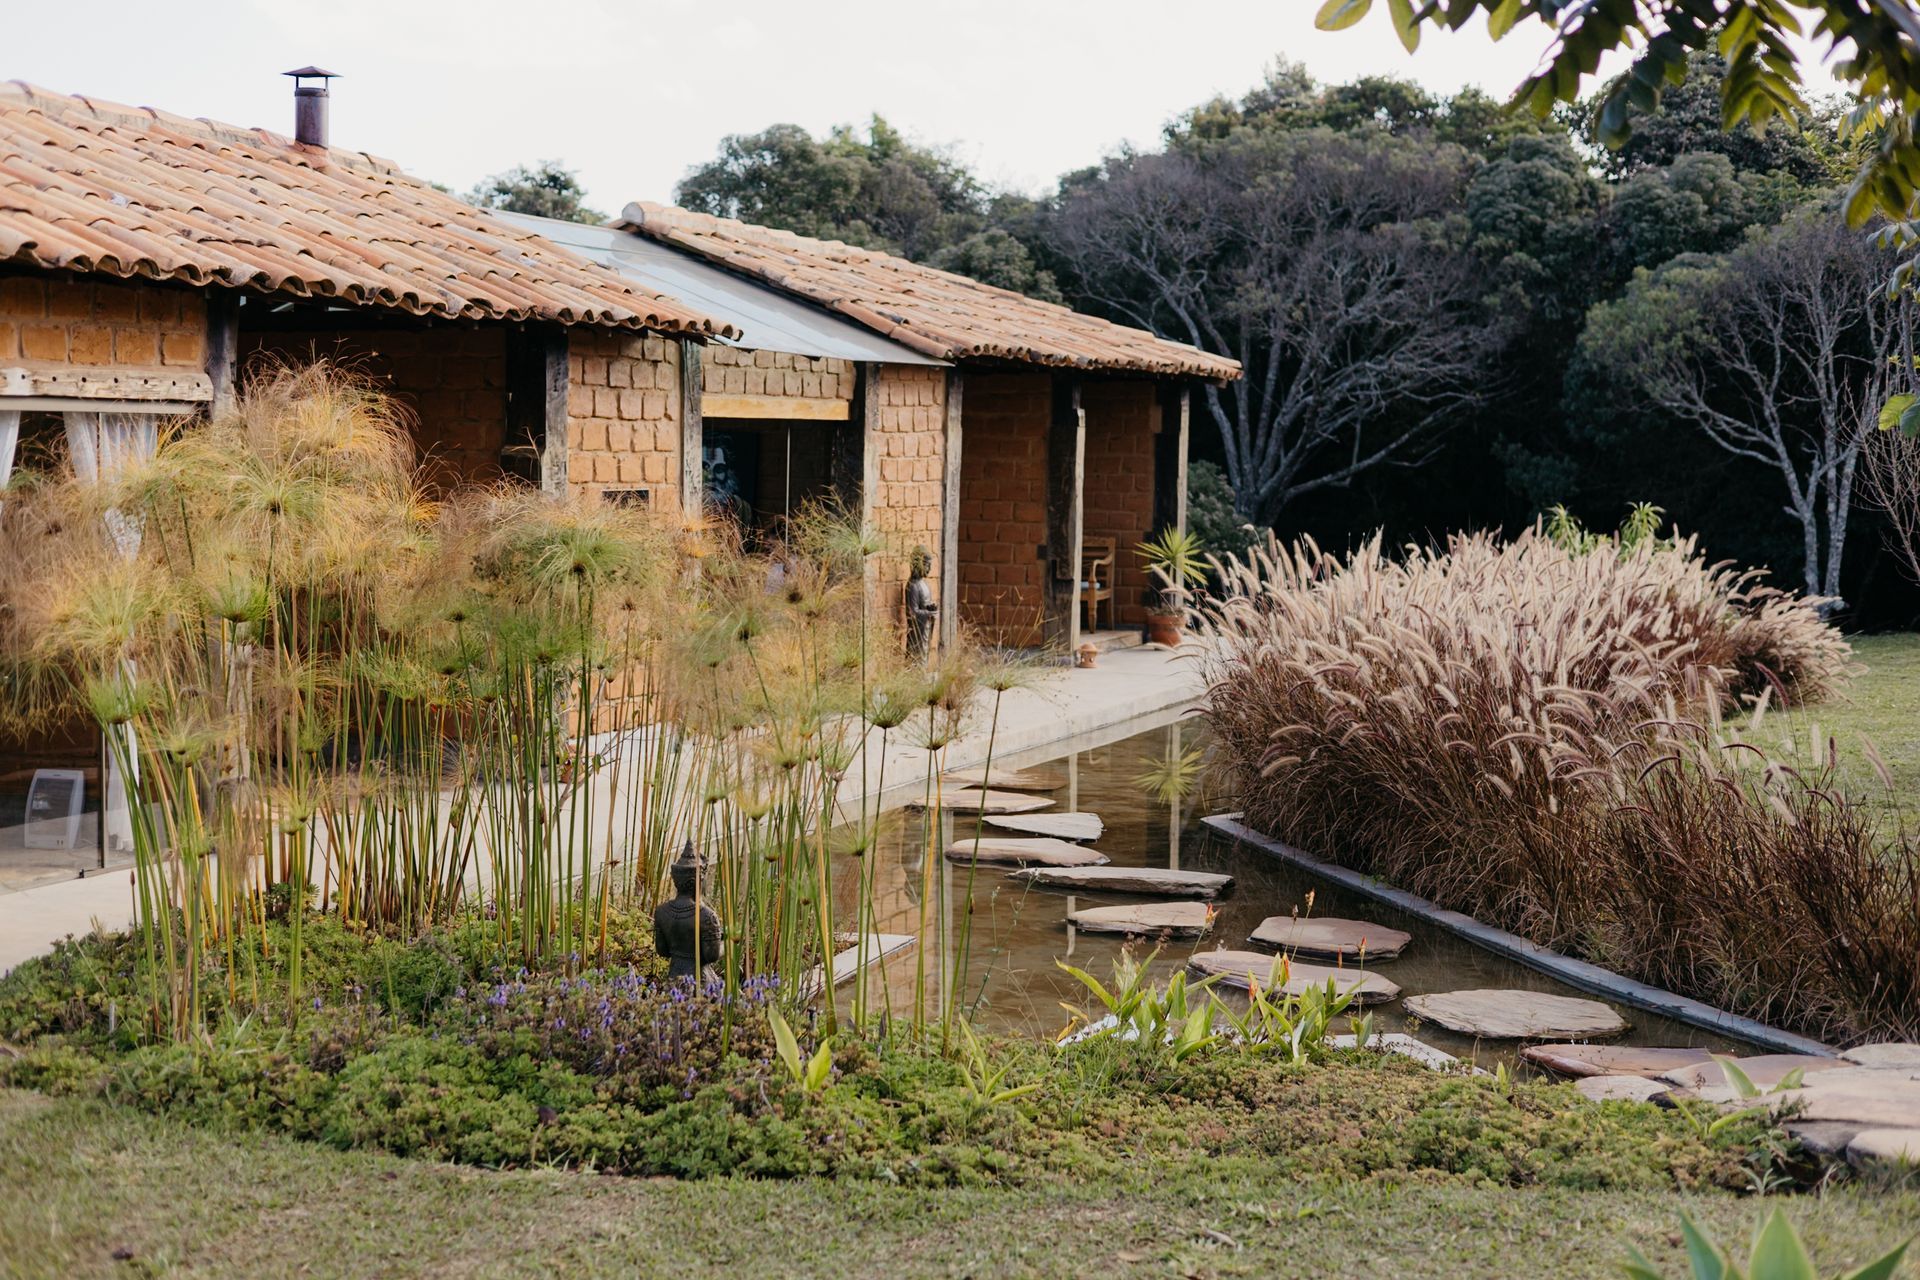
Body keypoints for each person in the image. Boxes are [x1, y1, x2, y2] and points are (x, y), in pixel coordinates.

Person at [652, 841, 723, 980]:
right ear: (695, 882)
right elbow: (712, 956)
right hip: (700, 980)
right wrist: (727, 943)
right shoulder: (707, 916)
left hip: (674, 978)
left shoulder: (661, 912)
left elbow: (663, 951)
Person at [904, 545, 938, 659]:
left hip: (925, 628)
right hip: (916, 632)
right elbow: (912, 613)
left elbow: (924, 605)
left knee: (924, 656)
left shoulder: (924, 584)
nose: (929, 569)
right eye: (927, 566)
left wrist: (930, 608)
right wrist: (928, 614)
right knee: (916, 658)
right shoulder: (912, 586)